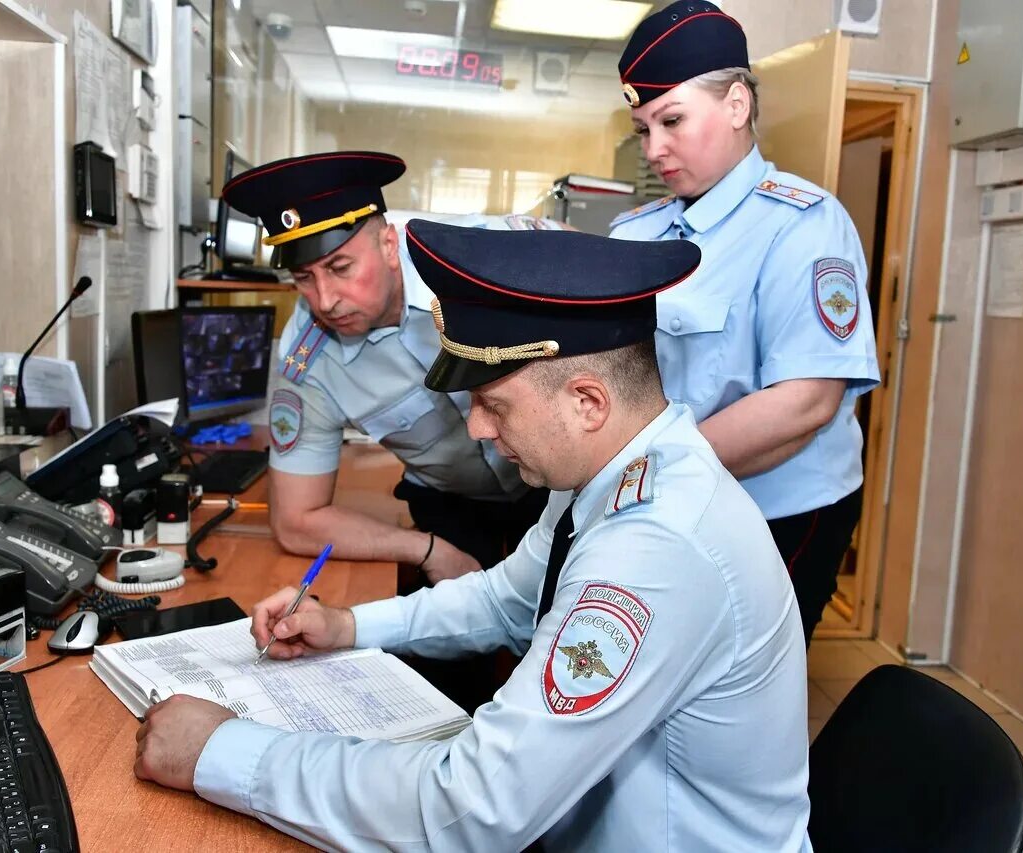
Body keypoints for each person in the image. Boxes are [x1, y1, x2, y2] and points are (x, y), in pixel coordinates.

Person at [133, 221, 813, 852]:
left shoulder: (657, 548)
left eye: (493, 404)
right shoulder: (609, 476)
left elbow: (477, 807)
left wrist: (220, 752)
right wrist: (346, 624)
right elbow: (505, 600)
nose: (478, 429)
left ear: (587, 402)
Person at [610, 1, 881, 643]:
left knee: (743, 680)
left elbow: (806, 403)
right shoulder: (635, 232)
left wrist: (647, 470)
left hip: (778, 511)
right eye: (642, 128)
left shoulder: (803, 225)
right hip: (663, 503)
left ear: (736, 105)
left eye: (672, 121)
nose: (654, 149)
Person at [221, 152, 556, 589]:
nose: (324, 300)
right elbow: (296, 520)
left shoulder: (476, 260)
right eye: (303, 278)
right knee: (442, 645)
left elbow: (594, 270)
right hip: (450, 508)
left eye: (340, 268)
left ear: (388, 245)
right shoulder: (310, 359)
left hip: (557, 486)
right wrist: (426, 550)